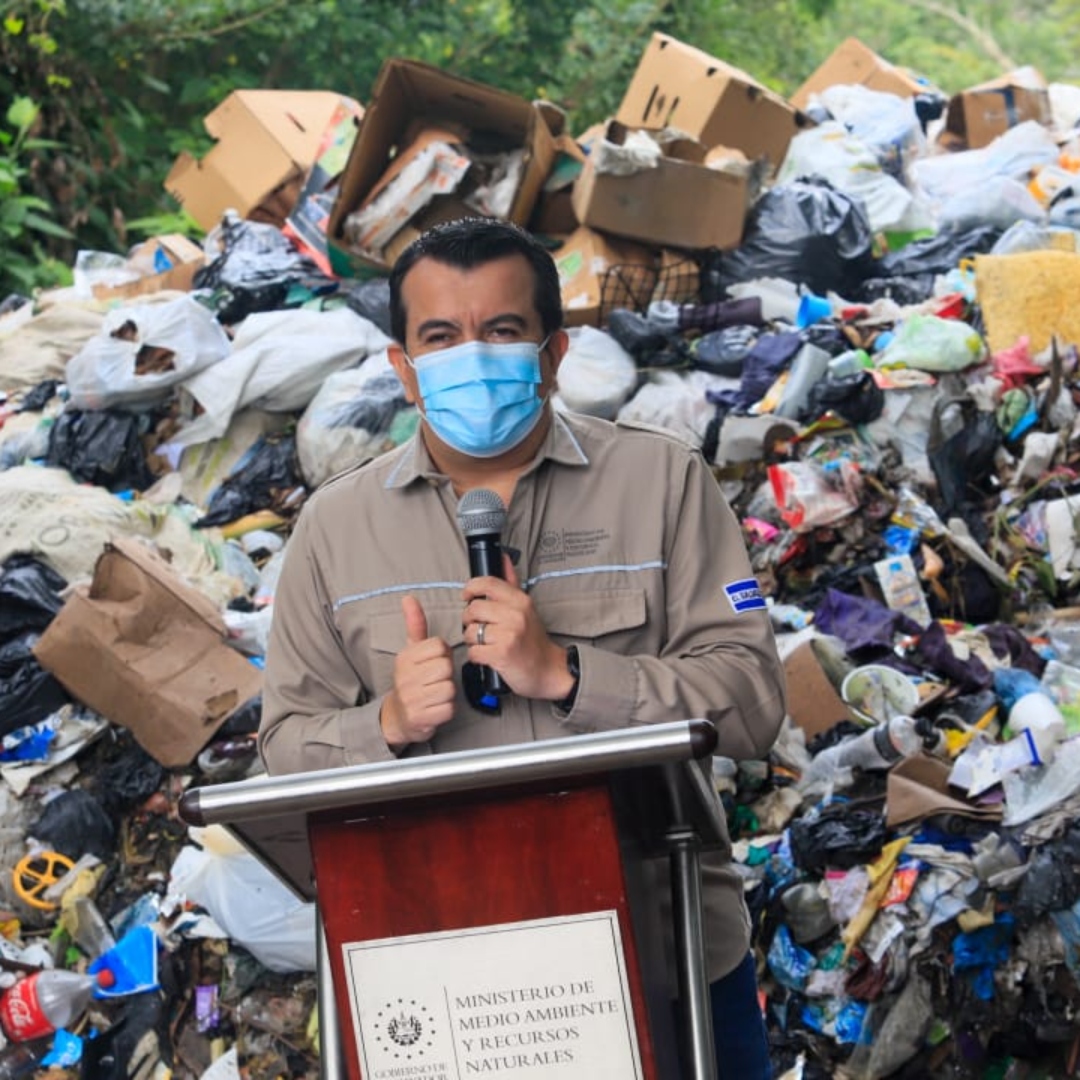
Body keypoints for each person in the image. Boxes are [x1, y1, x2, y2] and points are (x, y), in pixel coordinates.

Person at [259, 217, 787, 1078]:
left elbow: (754, 700)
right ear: (402, 367)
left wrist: (569, 674)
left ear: (552, 353)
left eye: (502, 331)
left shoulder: (659, 482)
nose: (472, 355)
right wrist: (384, 724)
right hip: (441, 971)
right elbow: (285, 745)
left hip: (669, 942)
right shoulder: (333, 530)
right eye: (441, 336)